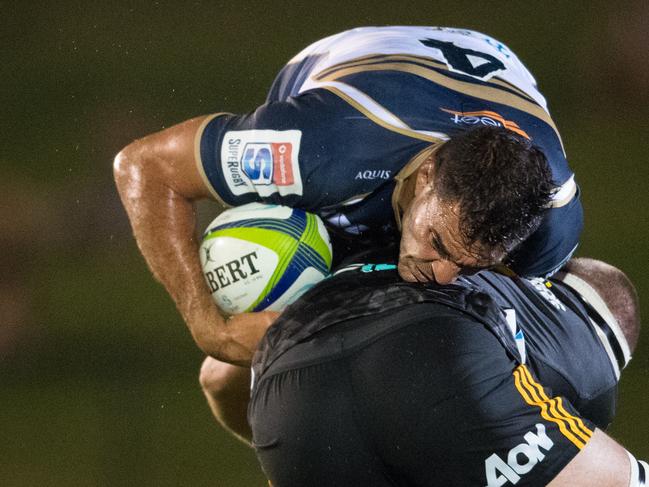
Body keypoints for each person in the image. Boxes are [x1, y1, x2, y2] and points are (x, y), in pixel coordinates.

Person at [114, 26, 578, 364]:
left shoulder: (549, 222)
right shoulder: (322, 149)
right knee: (228, 378)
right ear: (428, 174)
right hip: (351, 76)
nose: (441, 276)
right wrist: (210, 330)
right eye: (437, 244)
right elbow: (144, 167)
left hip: (491, 77)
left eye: (471, 263)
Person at [243, 257, 643, 486]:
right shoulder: (589, 364)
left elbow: (216, 377)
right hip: (432, 352)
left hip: (285, 383)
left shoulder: (480, 262)